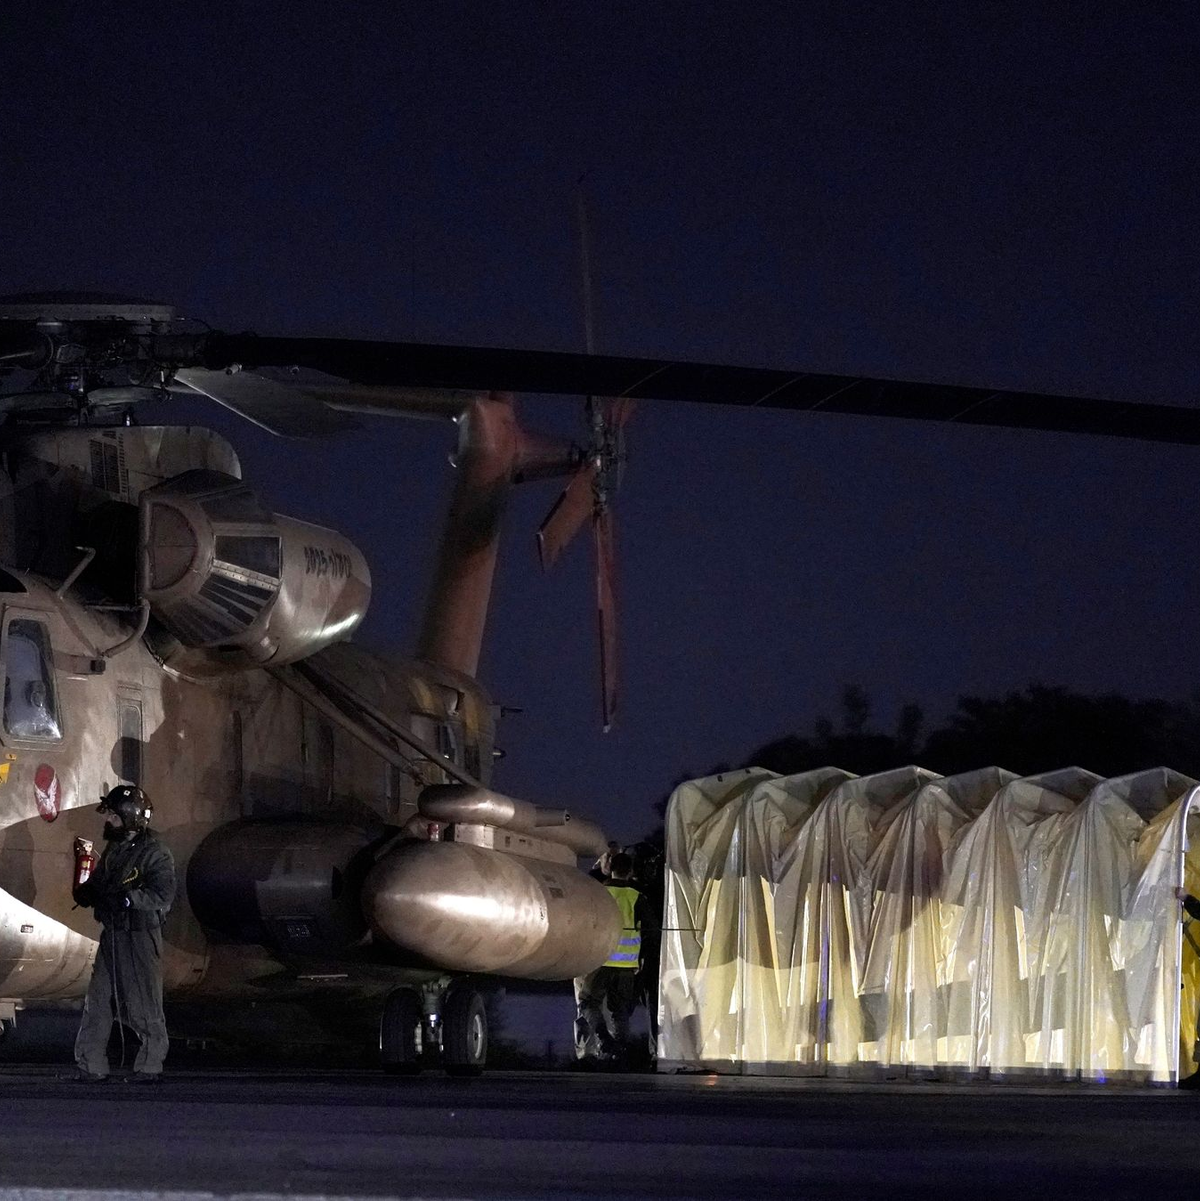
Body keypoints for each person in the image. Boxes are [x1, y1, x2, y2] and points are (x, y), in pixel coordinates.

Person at [72, 785, 176, 1083]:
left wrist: (129, 899)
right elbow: (103, 880)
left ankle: (149, 1065)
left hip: (139, 936)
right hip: (113, 934)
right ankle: (90, 1064)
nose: (109, 822)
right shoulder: (116, 848)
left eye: (114, 817)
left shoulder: (156, 852)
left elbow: (163, 894)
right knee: (98, 1001)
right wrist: (90, 891)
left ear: (131, 818)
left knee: (144, 1003)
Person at [574, 852, 651, 1069]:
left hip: (600, 960)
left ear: (611, 869)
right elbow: (650, 931)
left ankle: (604, 1040)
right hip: (627, 965)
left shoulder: (600, 893)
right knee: (620, 1011)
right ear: (631, 871)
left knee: (588, 1003)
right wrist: (642, 958)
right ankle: (620, 1052)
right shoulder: (638, 897)